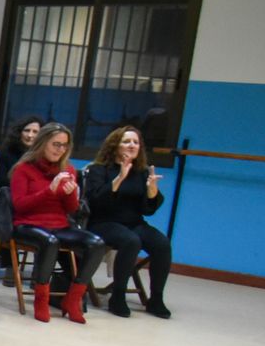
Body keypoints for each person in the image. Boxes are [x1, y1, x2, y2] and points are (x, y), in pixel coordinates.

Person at [10, 123, 106, 324]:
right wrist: (49, 191)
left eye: (64, 146)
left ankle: (73, 299)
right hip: (27, 224)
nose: (59, 149)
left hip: (59, 224)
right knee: (50, 241)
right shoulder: (23, 169)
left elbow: (70, 210)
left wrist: (71, 194)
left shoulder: (68, 169)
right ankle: (41, 299)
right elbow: (20, 206)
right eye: (55, 144)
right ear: (43, 143)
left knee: (96, 243)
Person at [84, 126, 172, 318]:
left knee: (162, 244)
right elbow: (96, 202)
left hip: (134, 223)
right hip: (103, 222)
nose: (132, 145)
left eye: (136, 142)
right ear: (115, 145)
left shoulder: (141, 173)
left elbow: (147, 210)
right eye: (126, 141)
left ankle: (156, 299)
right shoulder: (98, 169)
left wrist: (152, 190)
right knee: (130, 241)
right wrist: (119, 178)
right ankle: (118, 296)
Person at [0, 115, 42, 188]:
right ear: (19, 132)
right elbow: (1, 181)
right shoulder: (6, 153)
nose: (30, 135)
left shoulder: (44, 156)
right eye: (27, 130)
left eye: (35, 132)